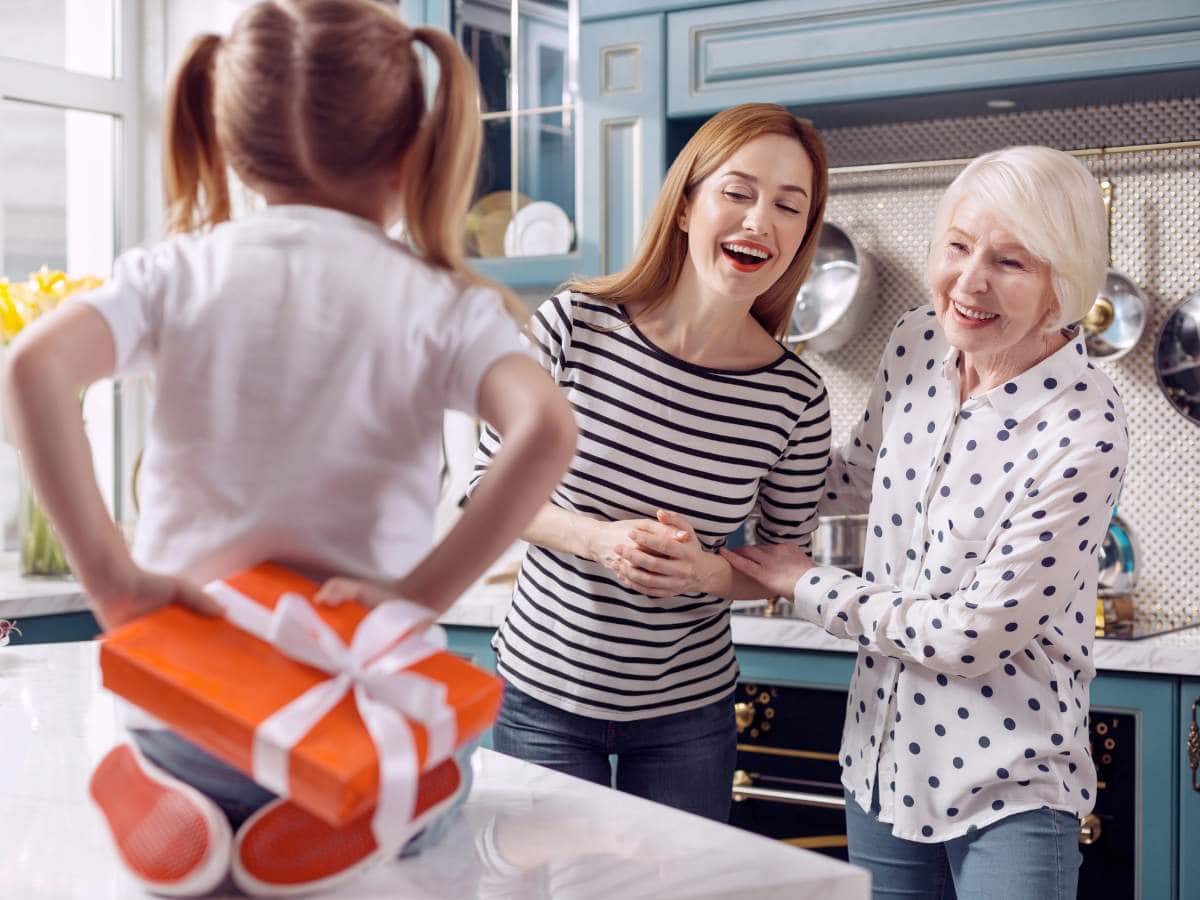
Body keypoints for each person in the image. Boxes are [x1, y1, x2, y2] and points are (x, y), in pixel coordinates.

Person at [3, 1, 575, 896]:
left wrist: (112, 580)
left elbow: (30, 366)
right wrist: (416, 598)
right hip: (341, 720)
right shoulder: (440, 304)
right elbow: (547, 429)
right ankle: (338, 821)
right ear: (408, 151)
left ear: (235, 146)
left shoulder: (179, 270)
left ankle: (174, 794)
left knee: (191, 749)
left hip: (182, 710)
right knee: (447, 773)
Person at [724, 145, 1127, 899]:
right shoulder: (915, 339)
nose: (970, 283)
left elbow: (970, 636)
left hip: (1010, 791)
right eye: (958, 247)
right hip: (882, 765)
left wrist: (802, 582)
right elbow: (851, 475)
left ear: (1061, 283)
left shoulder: (1084, 426)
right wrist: (716, 476)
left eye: (1011, 262)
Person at [469, 103, 832, 822]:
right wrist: (599, 541)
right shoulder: (574, 325)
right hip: (543, 694)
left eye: (789, 206)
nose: (761, 221)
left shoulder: (795, 396)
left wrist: (701, 571)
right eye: (738, 192)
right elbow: (487, 490)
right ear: (686, 206)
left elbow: (778, 565)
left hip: (685, 722)